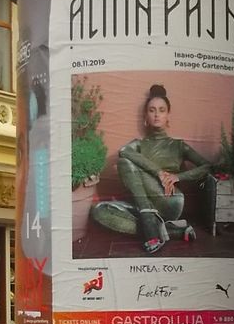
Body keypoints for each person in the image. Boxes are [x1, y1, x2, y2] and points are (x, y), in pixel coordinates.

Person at [90, 83, 214, 254]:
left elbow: (208, 166)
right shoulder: (139, 145)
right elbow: (124, 151)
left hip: (169, 200)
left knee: (124, 162)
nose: (157, 115)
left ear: (168, 115)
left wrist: (178, 177)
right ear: (145, 117)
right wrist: (159, 172)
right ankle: (171, 231)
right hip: (142, 203)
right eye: (152, 110)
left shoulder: (178, 146)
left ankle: (150, 223)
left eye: (162, 110)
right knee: (98, 211)